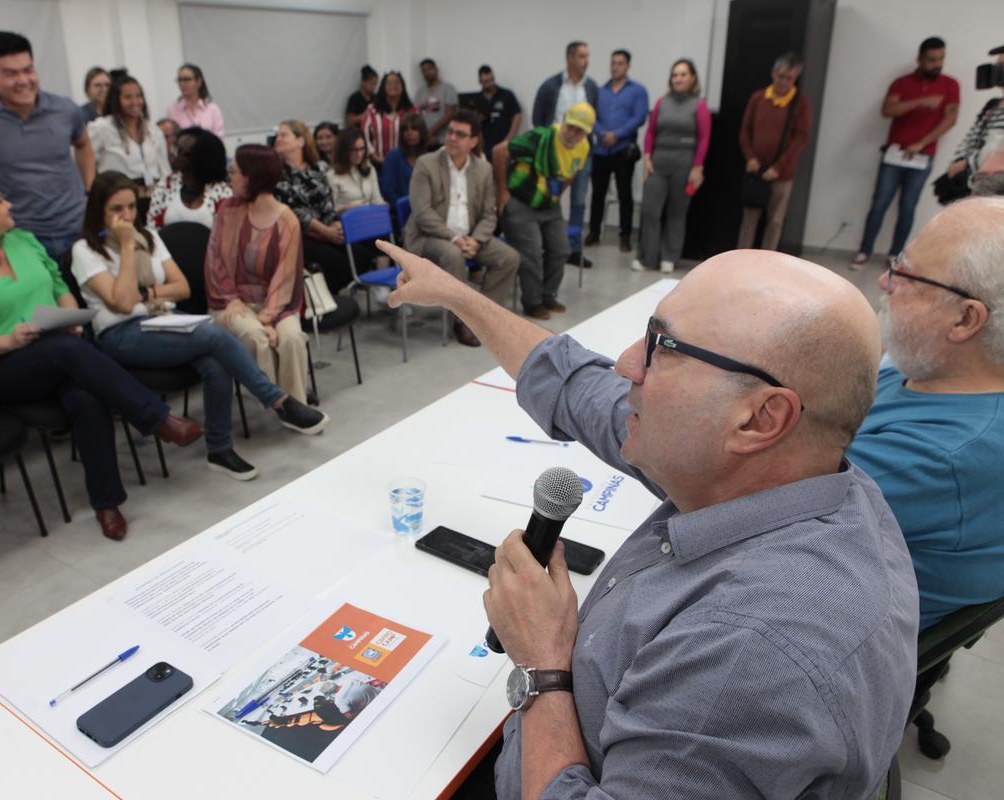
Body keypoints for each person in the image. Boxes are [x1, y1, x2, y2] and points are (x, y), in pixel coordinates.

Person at [373, 236, 918, 800]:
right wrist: (458, 295)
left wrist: (541, 663)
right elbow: (577, 386)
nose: (628, 363)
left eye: (664, 347)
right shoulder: (786, 471)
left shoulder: (746, 651)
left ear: (760, 418)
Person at [0, 175, 204, 541]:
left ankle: (107, 503)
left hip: (58, 352)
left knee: (86, 395)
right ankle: (157, 419)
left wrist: (69, 317)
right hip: (1, 366)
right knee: (69, 351)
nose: (9, 205)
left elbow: (58, 287)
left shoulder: (22, 242)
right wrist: (9, 338)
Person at [71, 172, 326, 480]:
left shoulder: (149, 237)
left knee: (214, 364)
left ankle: (219, 450)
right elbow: (122, 304)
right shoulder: (85, 250)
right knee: (211, 334)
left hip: (163, 319)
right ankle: (278, 400)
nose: (126, 216)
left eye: (130, 207)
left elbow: (181, 287)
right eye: (116, 209)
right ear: (98, 209)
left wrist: (146, 293)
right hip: (120, 334)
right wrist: (126, 247)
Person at [848, 197, 1004, 630]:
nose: (884, 280)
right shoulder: (928, 368)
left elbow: (743, 493)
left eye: (905, 272)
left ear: (965, 319)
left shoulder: (942, 455)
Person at [0, 31, 95, 261]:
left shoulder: (65, 109)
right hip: (18, 236)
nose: (24, 80)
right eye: (11, 73)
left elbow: (84, 144)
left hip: (76, 227)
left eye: (28, 70)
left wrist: (90, 189)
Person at [207, 145, 314, 405]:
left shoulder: (287, 220)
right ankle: (277, 404)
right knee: (258, 337)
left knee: (292, 338)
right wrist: (232, 298)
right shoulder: (228, 210)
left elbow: (286, 276)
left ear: (251, 177)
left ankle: (296, 408)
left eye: (235, 172)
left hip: (277, 304)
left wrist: (268, 317)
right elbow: (215, 263)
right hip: (230, 302)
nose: (230, 177)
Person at [405, 110, 519, 347]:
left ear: (473, 141)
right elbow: (422, 213)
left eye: (460, 134)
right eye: (450, 132)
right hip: (430, 236)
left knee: (509, 258)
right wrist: (455, 238)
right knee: (453, 254)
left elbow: (489, 213)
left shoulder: (483, 169)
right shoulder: (427, 164)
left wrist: (476, 240)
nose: (452, 138)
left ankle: (485, 316)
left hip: (470, 237)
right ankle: (463, 321)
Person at [851, 37, 960, 269]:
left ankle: (896, 255)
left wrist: (921, 143)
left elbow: (950, 119)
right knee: (879, 203)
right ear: (920, 59)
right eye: (931, 60)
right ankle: (864, 251)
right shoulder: (902, 83)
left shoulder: (950, 85)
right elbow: (888, 109)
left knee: (908, 206)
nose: (937, 64)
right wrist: (920, 102)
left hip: (923, 156)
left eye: (941, 59)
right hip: (894, 154)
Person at [493, 104, 595, 320]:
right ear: (563, 121)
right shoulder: (540, 137)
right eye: (571, 127)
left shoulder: (583, 146)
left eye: (580, 131)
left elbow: (572, 172)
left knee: (561, 249)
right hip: (521, 202)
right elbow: (499, 151)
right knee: (532, 254)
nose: (574, 134)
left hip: (549, 206)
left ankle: (548, 295)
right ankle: (532, 302)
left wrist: (557, 195)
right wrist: (501, 192)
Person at [274, 119, 377, 293]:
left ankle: (334, 294)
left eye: (284, 135)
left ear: (300, 141)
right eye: (277, 135)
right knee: (335, 262)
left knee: (362, 257)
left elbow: (328, 201)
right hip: (299, 234)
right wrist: (325, 230)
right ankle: (326, 300)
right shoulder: (277, 173)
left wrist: (334, 223)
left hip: (326, 227)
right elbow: (292, 210)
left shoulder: (318, 168)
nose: (278, 139)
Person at [635, 58, 711, 274]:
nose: (678, 78)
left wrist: (697, 167)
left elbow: (704, 138)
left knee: (676, 213)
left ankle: (669, 257)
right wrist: (648, 156)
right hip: (658, 162)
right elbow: (650, 132)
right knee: (650, 211)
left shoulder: (699, 105)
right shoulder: (662, 102)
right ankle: (648, 257)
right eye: (675, 74)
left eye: (683, 74)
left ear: (692, 78)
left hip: (684, 164)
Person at [737, 52, 813, 251]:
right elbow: (745, 131)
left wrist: (778, 167)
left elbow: (800, 138)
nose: (784, 82)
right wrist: (750, 157)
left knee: (775, 222)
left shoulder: (800, 103)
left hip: (781, 174)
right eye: (781, 77)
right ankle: (742, 260)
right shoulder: (758, 98)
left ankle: (768, 263)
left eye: (790, 78)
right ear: (773, 74)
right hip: (756, 171)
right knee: (748, 220)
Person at [533, 42, 598, 268]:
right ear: (570, 58)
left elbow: (593, 120)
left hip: (581, 152)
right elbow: (538, 118)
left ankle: (574, 250)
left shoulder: (591, 87)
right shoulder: (551, 86)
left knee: (579, 201)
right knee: (551, 199)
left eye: (587, 56)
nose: (586, 61)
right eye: (582, 56)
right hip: (553, 154)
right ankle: (549, 246)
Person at [587, 49, 648, 253]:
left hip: (623, 151)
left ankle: (624, 236)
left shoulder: (637, 90)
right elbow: (591, 116)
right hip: (601, 149)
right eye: (613, 63)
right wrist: (601, 133)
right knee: (597, 194)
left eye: (620, 63)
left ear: (628, 66)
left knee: (624, 194)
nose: (615, 67)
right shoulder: (600, 90)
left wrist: (618, 134)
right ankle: (594, 233)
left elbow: (639, 117)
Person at [87, 74, 171, 195]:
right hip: (118, 194)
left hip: (154, 195)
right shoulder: (102, 128)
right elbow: (84, 160)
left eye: (138, 96)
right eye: (128, 97)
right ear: (116, 100)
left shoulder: (153, 130)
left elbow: (164, 169)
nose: (135, 102)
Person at [147, 129, 232, 229]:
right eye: (174, 148)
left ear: (199, 158)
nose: (173, 154)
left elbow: (227, 234)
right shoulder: (166, 185)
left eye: (179, 151)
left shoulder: (222, 192)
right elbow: (152, 226)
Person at [945, 47, 1004, 183]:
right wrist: (958, 160)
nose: (998, 72)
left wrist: (967, 164)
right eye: (998, 66)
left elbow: (998, 150)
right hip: (978, 182)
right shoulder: (993, 105)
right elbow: (972, 136)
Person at [325, 127, 386, 213]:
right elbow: (330, 211)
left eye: (362, 149)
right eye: (354, 150)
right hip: (346, 221)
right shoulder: (332, 175)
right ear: (343, 151)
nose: (359, 154)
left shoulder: (369, 168)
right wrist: (347, 208)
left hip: (370, 218)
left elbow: (377, 200)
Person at [362, 71, 415, 167]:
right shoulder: (372, 110)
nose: (393, 85)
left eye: (397, 82)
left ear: (402, 86)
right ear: (383, 87)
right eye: (389, 82)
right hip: (377, 164)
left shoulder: (412, 111)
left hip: (405, 164)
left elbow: (419, 137)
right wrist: (373, 155)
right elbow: (364, 135)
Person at [379, 113, 428, 215]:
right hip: (401, 213)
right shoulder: (393, 156)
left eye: (414, 129)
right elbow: (388, 192)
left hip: (425, 211)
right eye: (405, 130)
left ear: (422, 132)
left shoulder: (428, 157)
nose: (409, 133)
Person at [476, 65, 521, 163]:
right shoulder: (476, 99)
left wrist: (509, 138)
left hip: (504, 143)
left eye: (491, 80)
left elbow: (517, 115)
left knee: (504, 174)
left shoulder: (507, 95)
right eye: (486, 82)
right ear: (480, 82)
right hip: (485, 146)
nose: (490, 84)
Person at [165, 63, 224, 138]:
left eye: (187, 80)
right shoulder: (172, 110)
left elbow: (219, 139)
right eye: (180, 80)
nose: (182, 84)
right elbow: (173, 139)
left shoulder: (212, 109)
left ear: (199, 82)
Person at [417, 58, 458, 144]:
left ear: (436, 69)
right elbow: (417, 114)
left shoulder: (448, 89)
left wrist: (430, 132)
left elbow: (450, 114)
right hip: (424, 140)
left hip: (444, 139)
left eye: (429, 69)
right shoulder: (420, 92)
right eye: (424, 71)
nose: (427, 72)